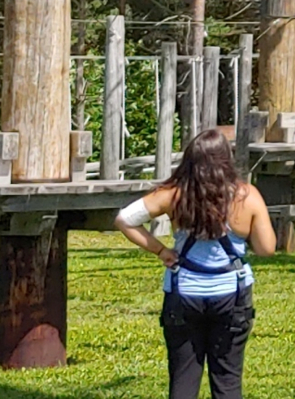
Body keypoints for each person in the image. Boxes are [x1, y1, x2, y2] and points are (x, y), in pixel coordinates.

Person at [115, 126, 277, 399]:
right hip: (232, 296)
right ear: (226, 159)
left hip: (184, 295)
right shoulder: (246, 196)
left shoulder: (173, 194)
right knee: (227, 381)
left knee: (183, 380)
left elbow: (124, 219)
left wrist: (161, 251)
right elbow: (266, 248)